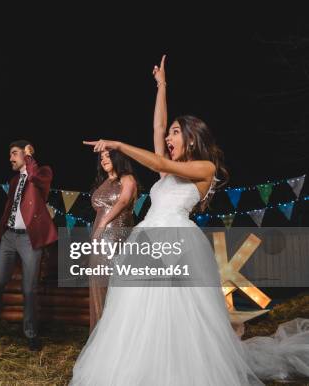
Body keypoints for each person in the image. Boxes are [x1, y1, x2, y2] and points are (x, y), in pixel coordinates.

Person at [71, 56, 309, 385]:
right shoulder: (167, 164)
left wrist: (119, 144)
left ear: (192, 139)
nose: (168, 137)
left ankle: (179, 371)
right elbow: (156, 129)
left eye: (175, 133)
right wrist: (162, 86)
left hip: (177, 243)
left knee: (175, 311)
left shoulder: (204, 170)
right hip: (147, 240)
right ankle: (140, 368)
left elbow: (160, 161)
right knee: (139, 311)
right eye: (169, 133)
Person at [0, 140, 57, 351]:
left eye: (14, 153)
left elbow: (35, 178)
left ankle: (31, 334)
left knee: (29, 288)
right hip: (9, 237)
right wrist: (0, 232)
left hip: (30, 239)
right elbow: (8, 209)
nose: (10, 158)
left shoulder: (43, 174)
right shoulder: (13, 181)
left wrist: (30, 159)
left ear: (27, 154)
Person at [87, 149, 137, 332]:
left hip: (116, 237)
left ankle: (117, 336)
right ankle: (98, 337)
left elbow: (123, 201)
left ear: (118, 158)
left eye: (107, 156)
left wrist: (103, 223)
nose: (103, 160)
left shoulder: (127, 178)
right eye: (101, 158)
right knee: (98, 284)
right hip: (99, 239)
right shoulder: (103, 183)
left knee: (114, 286)